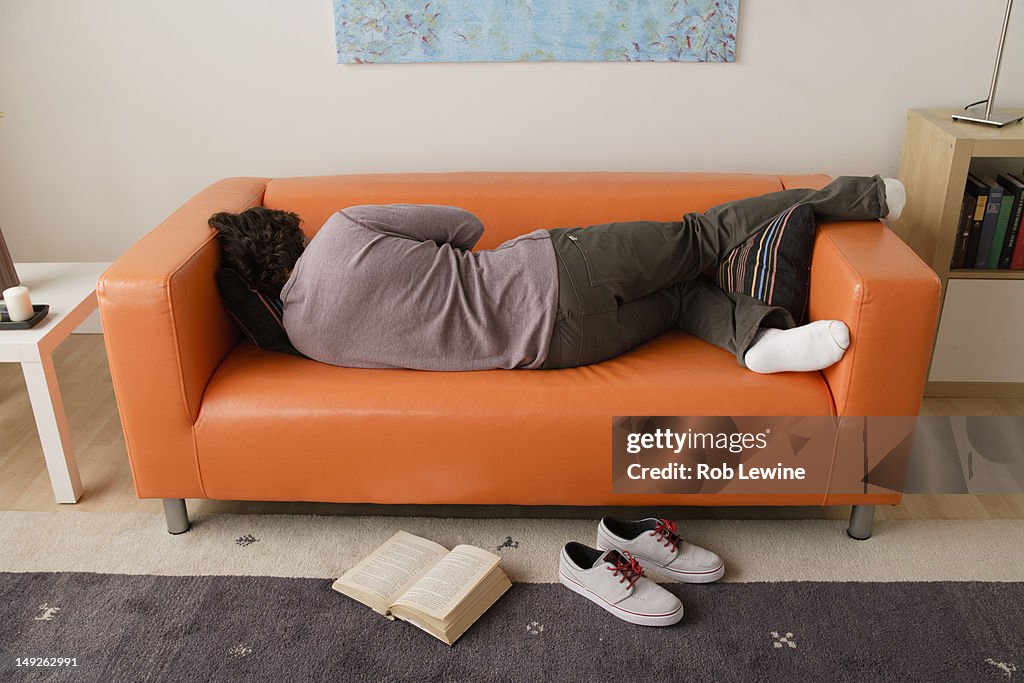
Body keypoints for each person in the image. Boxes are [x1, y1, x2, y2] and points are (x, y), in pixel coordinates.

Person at [210, 175, 905, 373]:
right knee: (702, 235)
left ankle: (756, 342)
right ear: (281, 230)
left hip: (559, 349)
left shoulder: (302, 338)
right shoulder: (344, 230)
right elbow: (466, 226)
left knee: (679, 298)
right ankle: (867, 195)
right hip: (554, 269)